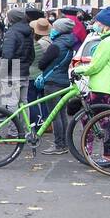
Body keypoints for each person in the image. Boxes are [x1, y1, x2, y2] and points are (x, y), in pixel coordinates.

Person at [32, 16, 78, 154]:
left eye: (54, 28)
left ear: (59, 30)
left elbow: (42, 63)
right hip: (64, 81)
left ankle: (58, 145)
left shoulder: (56, 45)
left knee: (54, 115)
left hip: (52, 82)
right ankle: (64, 143)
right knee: (62, 114)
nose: (52, 30)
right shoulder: (69, 43)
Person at [72, 6, 110, 118]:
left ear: (103, 23)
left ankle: (105, 136)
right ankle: (98, 135)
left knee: (96, 118)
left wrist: (78, 70)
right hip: (101, 85)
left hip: (101, 86)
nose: (95, 24)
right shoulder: (108, 40)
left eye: (97, 21)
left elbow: (96, 65)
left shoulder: (108, 42)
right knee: (93, 117)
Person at [0, 7, 35, 124]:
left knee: (11, 103)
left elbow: (7, 55)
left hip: (12, 72)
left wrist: (3, 72)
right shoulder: (29, 31)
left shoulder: (11, 32)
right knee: (24, 103)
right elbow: (32, 55)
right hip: (24, 71)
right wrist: (25, 65)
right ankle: (25, 129)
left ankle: (13, 132)